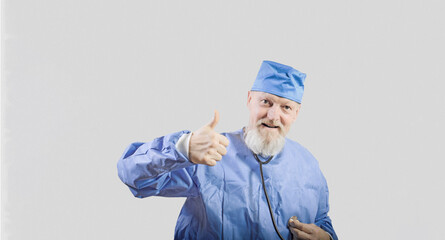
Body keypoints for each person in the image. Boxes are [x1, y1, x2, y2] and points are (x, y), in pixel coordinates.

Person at [117, 60, 338, 240]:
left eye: (286, 107)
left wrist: (326, 238)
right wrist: (182, 148)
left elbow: (321, 220)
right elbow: (133, 175)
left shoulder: (308, 165)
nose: (273, 116)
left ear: (296, 114)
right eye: (266, 102)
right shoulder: (210, 151)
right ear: (250, 100)